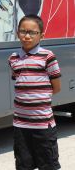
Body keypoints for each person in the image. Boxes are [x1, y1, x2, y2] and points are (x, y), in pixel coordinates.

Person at [8, 15, 61, 170]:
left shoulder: (48, 56)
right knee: (23, 164)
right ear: (18, 33)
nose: (27, 35)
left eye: (32, 32)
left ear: (41, 36)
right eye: (23, 31)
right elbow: (19, 82)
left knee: (48, 164)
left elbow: (56, 87)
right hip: (21, 125)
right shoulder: (13, 58)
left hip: (43, 125)